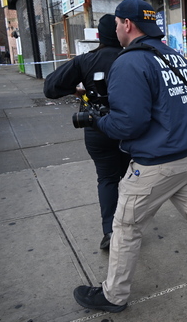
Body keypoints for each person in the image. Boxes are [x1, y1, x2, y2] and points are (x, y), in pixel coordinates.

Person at [73, 0, 187, 313]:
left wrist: (98, 120)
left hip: (156, 164)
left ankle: (113, 296)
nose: (115, 29)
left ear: (127, 24)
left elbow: (129, 123)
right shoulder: (173, 56)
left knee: (124, 227)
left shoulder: (130, 62)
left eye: (116, 24)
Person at [44, 15, 130, 251]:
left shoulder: (85, 61)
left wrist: (78, 91)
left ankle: (110, 231)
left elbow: (50, 87)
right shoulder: (133, 57)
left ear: (100, 36)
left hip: (97, 128)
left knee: (107, 179)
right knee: (128, 178)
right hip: (128, 128)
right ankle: (128, 226)